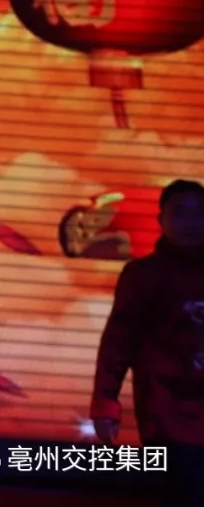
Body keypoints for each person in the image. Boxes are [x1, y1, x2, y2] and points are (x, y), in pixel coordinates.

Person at [91, 179, 204, 507]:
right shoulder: (142, 275)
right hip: (166, 410)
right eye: (180, 213)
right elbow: (118, 343)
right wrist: (105, 404)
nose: (191, 222)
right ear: (161, 220)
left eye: (199, 213)